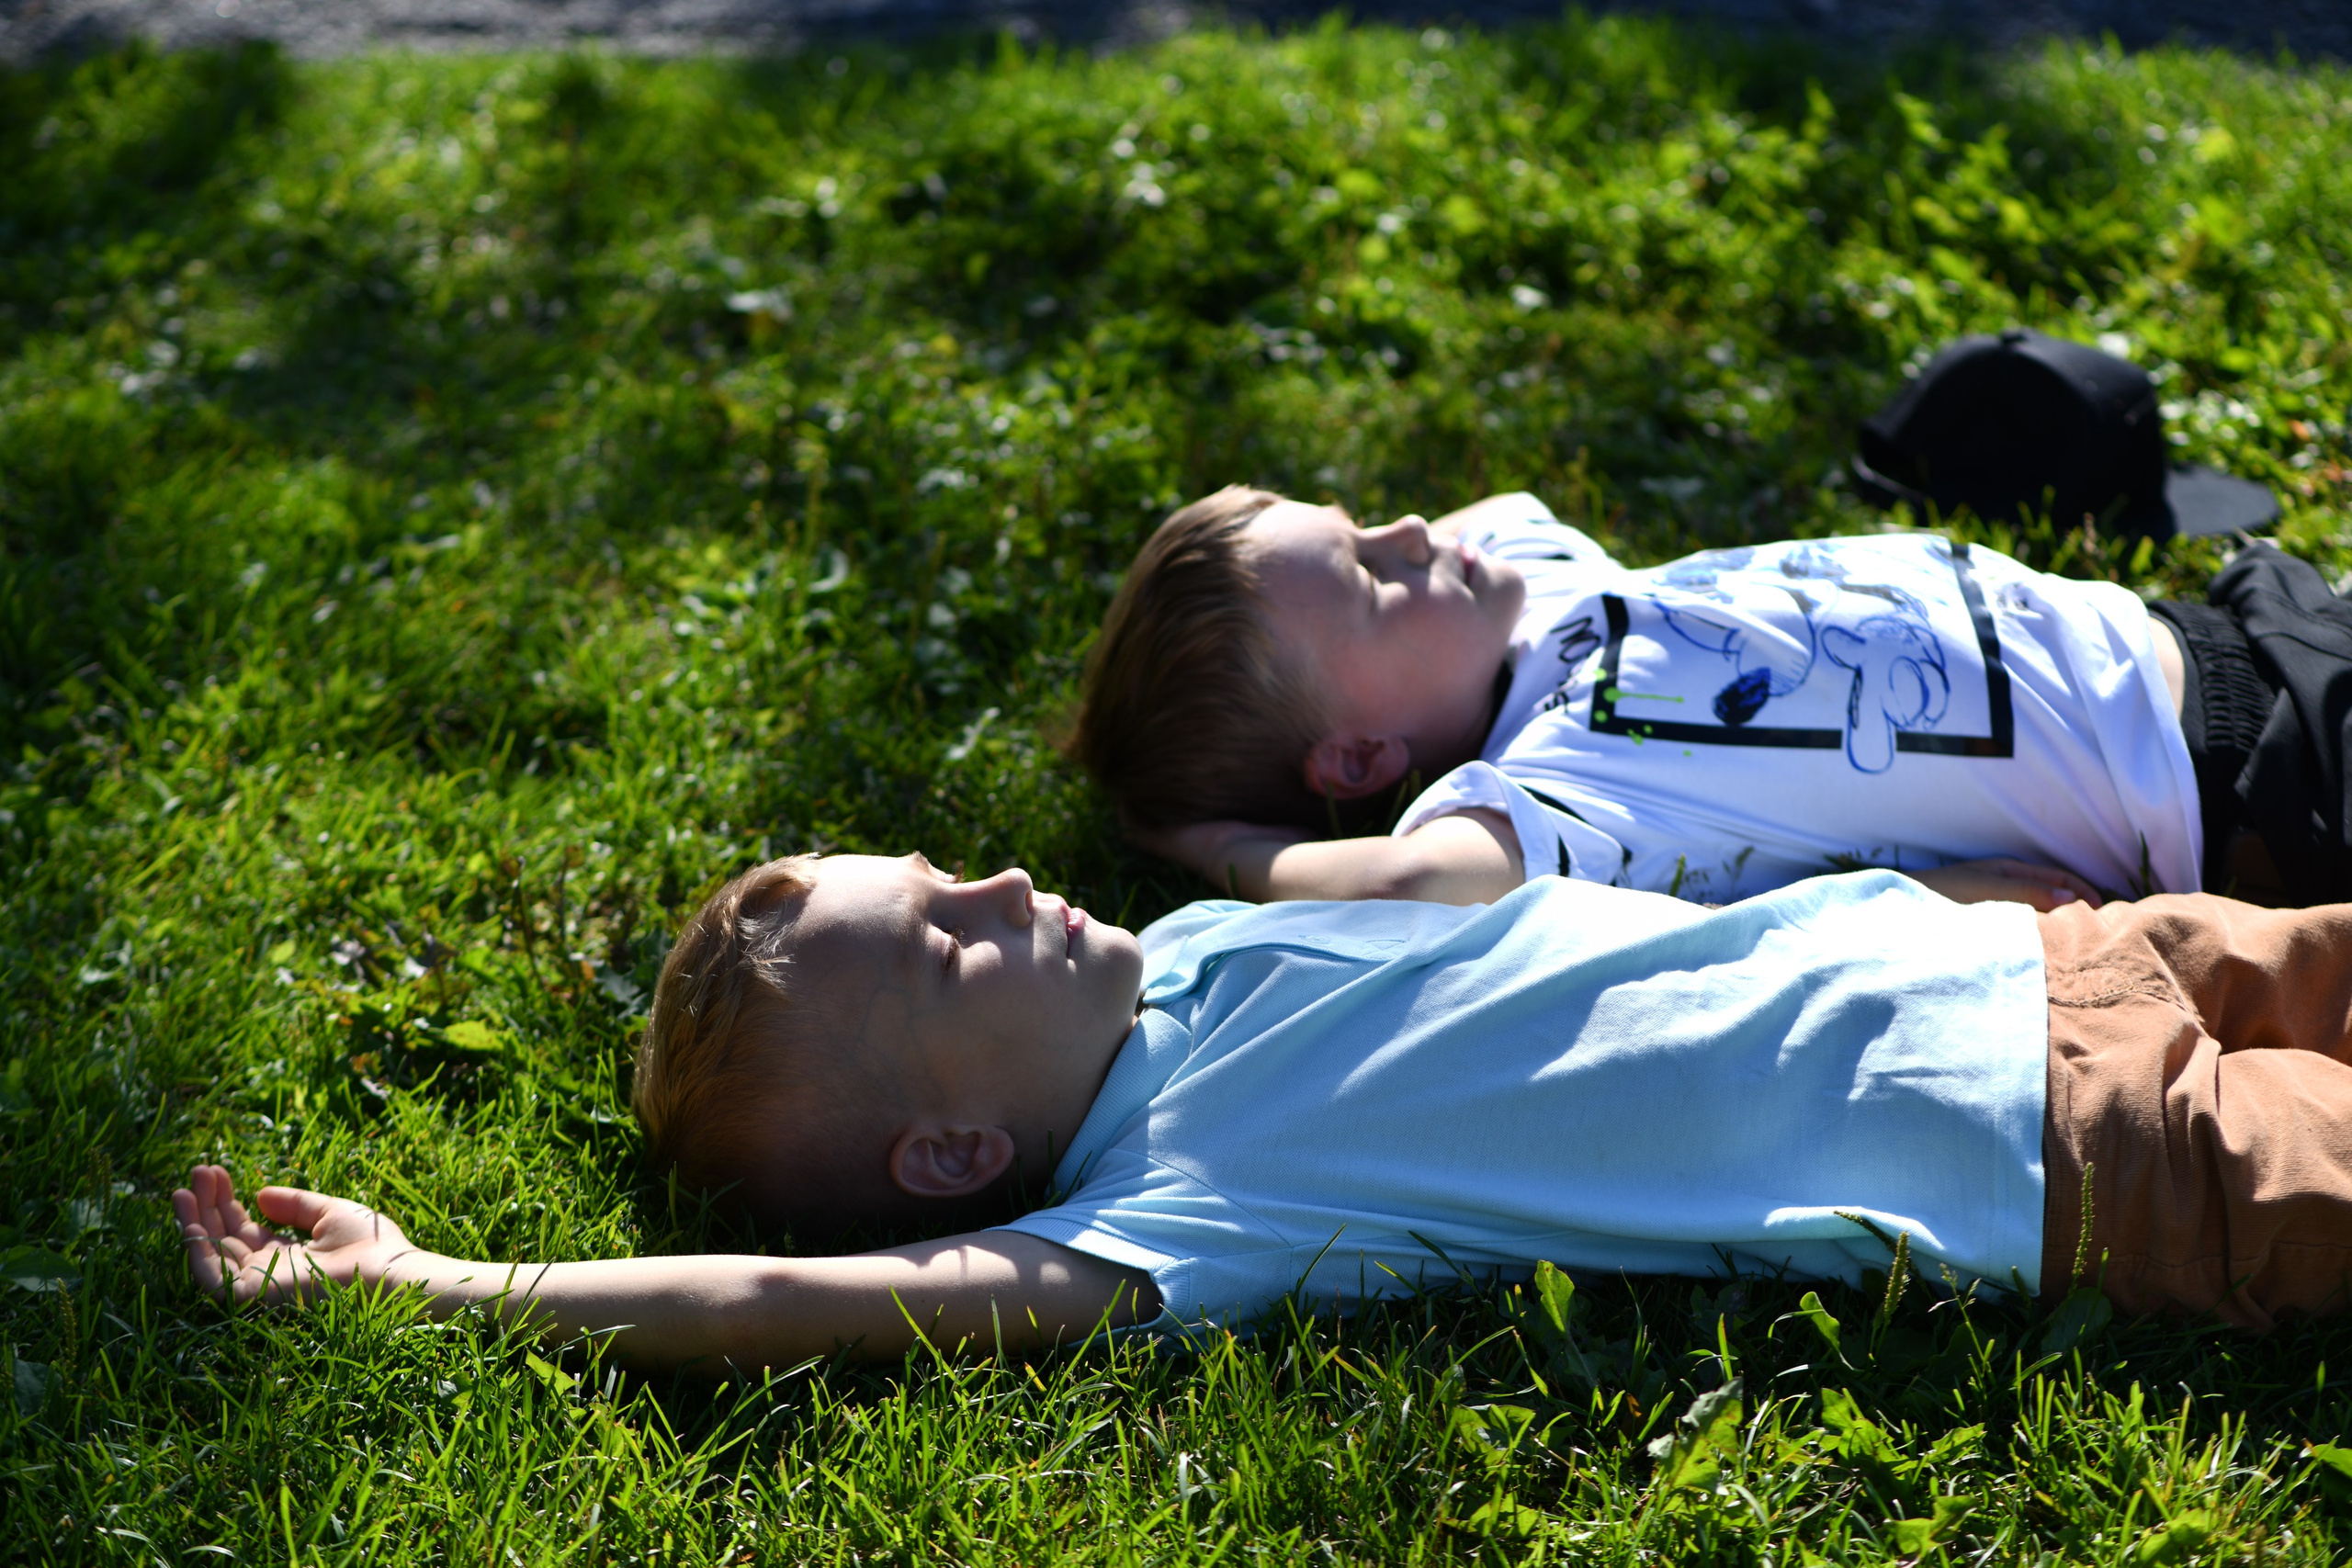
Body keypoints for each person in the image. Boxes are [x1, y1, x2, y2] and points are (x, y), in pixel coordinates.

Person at [176, 851, 2352, 1371]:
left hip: (2053, 945)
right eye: (943, 945)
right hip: (2083, 1162)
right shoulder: (1183, 1201)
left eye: (941, 870)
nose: (1000, 887)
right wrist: (447, 1276)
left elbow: (1475, 875)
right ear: (950, 1157)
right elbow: (795, 1291)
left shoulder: (1197, 938)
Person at [1069, 487, 2347, 910]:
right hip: (2255, 794)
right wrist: (1217, 840)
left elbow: (1457, 530)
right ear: (1356, 759)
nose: (1409, 528)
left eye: (1359, 518)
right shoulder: (1547, 789)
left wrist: (1300, 574)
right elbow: (1404, 891)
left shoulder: (1538, 582)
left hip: (2221, 625)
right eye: (1366, 574)